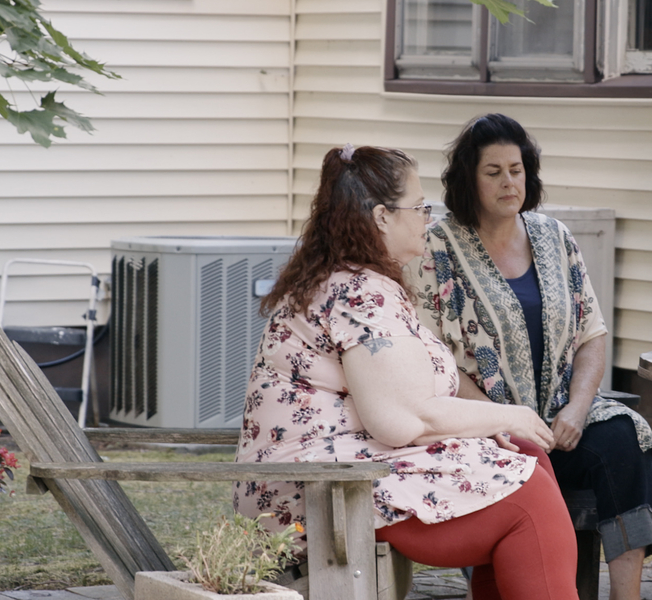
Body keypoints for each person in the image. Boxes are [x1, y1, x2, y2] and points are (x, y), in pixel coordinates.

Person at [234, 144, 577, 600]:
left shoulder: (350, 280)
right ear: (381, 217)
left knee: (528, 457)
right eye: (418, 207)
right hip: (317, 496)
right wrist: (507, 415)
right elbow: (401, 421)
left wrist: (500, 427)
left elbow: (401, 410)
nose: (427, 218)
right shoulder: (359, 293)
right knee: (529, 502)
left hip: (337, 475)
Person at [408, 113, 652, 600]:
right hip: (485, 429)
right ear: (469, 178)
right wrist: (504, 418)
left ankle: (625, 595)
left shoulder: (554, 236)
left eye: (517, 168)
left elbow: (592, 332)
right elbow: (432, 355)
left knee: (624, 440)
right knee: (520, 459)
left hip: (559, 420)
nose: (510, 181)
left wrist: (577, 408)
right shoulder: (436, 248)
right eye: (494, 171)